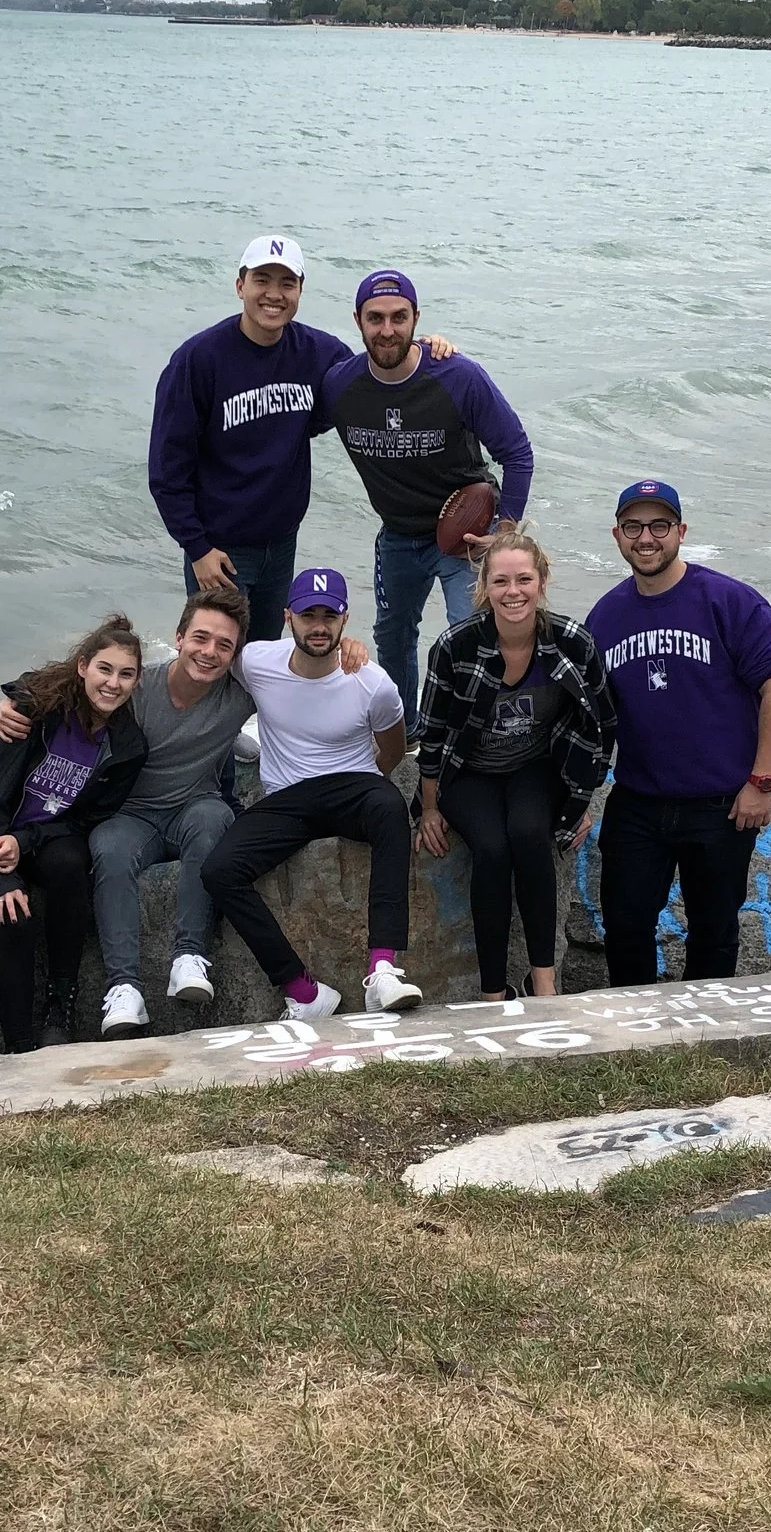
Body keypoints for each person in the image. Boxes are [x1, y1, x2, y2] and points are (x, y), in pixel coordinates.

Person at [0, 587, 379, 1037]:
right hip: (132, 816)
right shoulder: (137, 687)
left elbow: (301, 667)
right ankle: (124, 990)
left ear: (235, 655)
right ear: (178, 637)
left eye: (224, 645)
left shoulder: (239, 694)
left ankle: (190, 958)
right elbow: (75, 680)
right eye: (200, 638)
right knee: (107, 845)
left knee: (214, 818)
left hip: (194, 809)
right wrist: (15, 701)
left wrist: (349, 649)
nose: (209, 652)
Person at [148, 236, 454, 643]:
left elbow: (379, 376)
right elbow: (167, 468)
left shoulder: (319, 353)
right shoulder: (198, 360)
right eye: (262, 280)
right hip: (220, 551)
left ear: (300, 292)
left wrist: (425, 350)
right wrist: (197, 548)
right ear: (241, 286)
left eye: (286, 283)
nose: (274, 294)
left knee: (261, 662)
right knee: (215, 659)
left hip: (281, 543)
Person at [584, 481, 771, 986]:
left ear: (681, 532)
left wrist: (761, 781)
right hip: (637, 801)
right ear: (617, 535)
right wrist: (573, 801)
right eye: (634, 527)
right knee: (625, 925)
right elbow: (592, 717)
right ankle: (636, 1035)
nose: (646, 539)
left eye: (659, 526)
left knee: (714, 930)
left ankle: (709, 1039)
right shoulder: (605, 616)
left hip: (722, 804)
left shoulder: (729, 601)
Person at [200, 567, 426, 1020]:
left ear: (345, 621)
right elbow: (199, 662)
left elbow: (395, 746)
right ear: (288, 617)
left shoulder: (372, 681)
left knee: (388, 807)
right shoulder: (256, 662)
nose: (318, 625)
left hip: (352, 788)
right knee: (219, 870)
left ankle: (382, 969)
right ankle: (304, 992)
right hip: (288, 798)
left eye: (329, 615)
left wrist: (366, 778)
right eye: (308, 615)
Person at [0, 615, 149, 1051]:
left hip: (42, 839)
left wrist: (23, 843)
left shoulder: (128, 747)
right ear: (83, 666)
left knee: (71, 864)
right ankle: (19, 1048)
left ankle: (60, 1004)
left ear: (137, 683)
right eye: (104, 669)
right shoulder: (36, 710)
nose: (112, 683)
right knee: (16, 919)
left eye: (126, 674)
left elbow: (85, 821)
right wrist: (2, 877)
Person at [320, 268, 534, 722]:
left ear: (417, 317)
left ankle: (479, 730)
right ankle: (406, 728)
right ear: (357, 320)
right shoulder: (339, 386)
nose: (387, 330)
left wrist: (505, 532)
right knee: (392, 634)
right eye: (375, 318)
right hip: (398, 534)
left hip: (467, 537)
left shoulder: (458, 377)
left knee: (473, 635)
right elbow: (285, 424)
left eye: (399, 317)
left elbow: (516, 452)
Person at [413, 526, 615, 1000]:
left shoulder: (572, 641)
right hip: (470, 769)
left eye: (523, 580)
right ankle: (491, 992)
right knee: (491, 846)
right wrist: (427, 809)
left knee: (529, 834)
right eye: (501, 582)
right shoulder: (455, 646)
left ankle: (542, 980)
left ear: (542, 583)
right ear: (483, 588)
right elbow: (435, 734)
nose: (513, 592)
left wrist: (579, 800)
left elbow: (602, 726)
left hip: (535, 766)